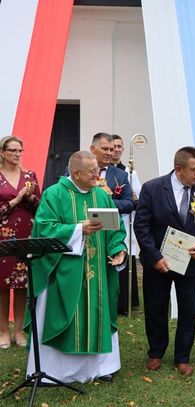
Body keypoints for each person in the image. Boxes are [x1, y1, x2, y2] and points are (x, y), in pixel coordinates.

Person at [26, 151, 127, 383]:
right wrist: (79, 229)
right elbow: (44, 228)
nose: (97, 176)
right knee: (63, 315)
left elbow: (115, 228)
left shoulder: (101, 195)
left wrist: (118, 249)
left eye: (97, 170)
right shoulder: (54, 194)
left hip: (98, 272)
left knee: (97, 313)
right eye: (92, 172)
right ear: (75, 173)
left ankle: (101, 368)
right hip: (64, 272)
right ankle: (56, 372)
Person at [134, 146, 195, 376]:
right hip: (158, 263)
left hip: (191, 262)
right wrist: (154, 257)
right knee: (156, 308)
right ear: (179, 169)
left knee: (188, 309)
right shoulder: (152, 188)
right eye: (194, 169)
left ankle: (182, 357)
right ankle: (156, 352)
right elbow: (141, 226)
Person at [0, 136, 41, 349]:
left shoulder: (29, 176)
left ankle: (18, 331)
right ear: (2, 152)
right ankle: (3, 331)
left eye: (20, 150)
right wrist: (16, 200)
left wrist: (30, 197)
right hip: (3, 236)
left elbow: (40, 208)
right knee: (2, 285)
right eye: (13, 150)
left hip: (27, 234)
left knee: (22, 284)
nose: (17, 154)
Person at [90, 133, 136, 315]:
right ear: (93, 149)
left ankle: (107, 307)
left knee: (107, 271)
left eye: (112, 149)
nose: (110, 152)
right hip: (85, 229)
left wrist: (108, 201)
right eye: (105, 149)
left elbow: (130, 204)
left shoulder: (121, 175)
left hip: (108, 231)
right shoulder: (79, 169)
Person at [110, 134, 141, 315]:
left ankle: (125, 302)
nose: (116, 150)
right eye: (113, 146)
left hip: (124, 220)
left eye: (119, 146)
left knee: (124, 254)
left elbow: (137, 197)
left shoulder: (130, 172)